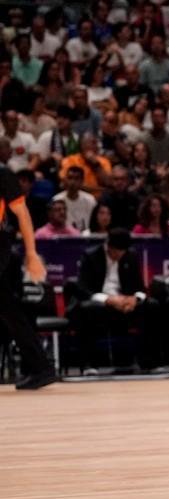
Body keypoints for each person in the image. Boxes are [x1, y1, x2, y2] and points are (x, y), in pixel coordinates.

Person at [67, 228, 164, 372]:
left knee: (151, 305)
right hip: (100, 302)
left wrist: (134, 299)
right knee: (87, 309)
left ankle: (150, 363)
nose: (119, 255)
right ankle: (89, 365)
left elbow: (140, 288)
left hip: (125, 303)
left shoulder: (130, 256)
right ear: (108, 245)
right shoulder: (90, 256)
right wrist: (109, 300)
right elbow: (83, 289)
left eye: (122, 251)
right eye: (116, 251)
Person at [0, 164, 56, 389]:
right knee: (8, 309)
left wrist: (31, 253)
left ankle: (41, 366)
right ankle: (41, 367)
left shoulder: (2, 174)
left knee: (8, 309)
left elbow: (22, 213)